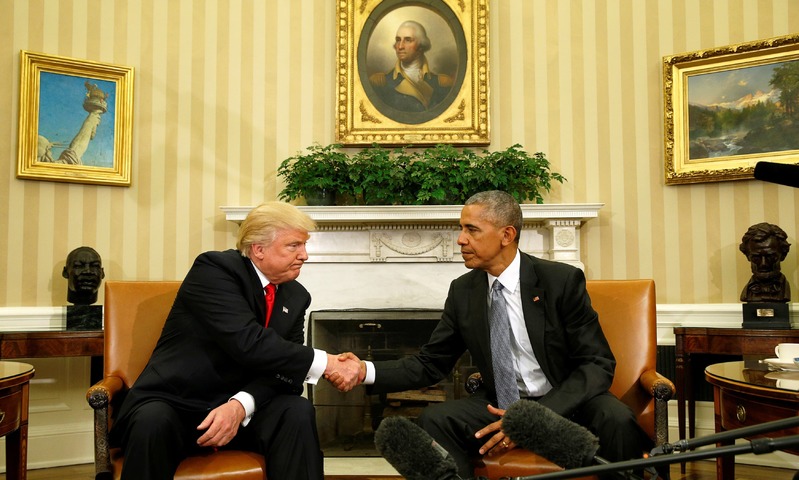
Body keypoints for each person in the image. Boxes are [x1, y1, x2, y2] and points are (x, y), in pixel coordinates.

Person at [331, 191, 649, 478]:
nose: (460, 240)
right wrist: (364, 369)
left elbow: (596, 363)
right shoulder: (464, 292)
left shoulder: (559, 281)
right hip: (500, 404)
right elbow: (431, 363)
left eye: (471, 230)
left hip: (567, 402)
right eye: (461, 229)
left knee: (616, 419)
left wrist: (531, 419)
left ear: (506, 235)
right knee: (436, 420)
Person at [109, 202, 362, 480]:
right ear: (259, 249)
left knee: (296, 409)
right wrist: (326, 362)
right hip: (179, 403)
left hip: (243, 410)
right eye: (294, 245)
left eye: (304, 245)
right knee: (151, 421)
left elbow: (285, 373)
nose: (305, 255)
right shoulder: (215, 270)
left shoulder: (296, 295)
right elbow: (248, 342)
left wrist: (240, 406)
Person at [368, 20, 454, 113]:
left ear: (421, 45)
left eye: (408, 40)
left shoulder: (442, 83)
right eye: (398, 40)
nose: (400, 46)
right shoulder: (380, 83)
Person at [739, 222, 791, 302]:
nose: (763, 264)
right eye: (756, 258)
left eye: (770, 257)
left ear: (783, 255)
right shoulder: (747, 293)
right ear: (747, 256)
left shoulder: (784, 290)